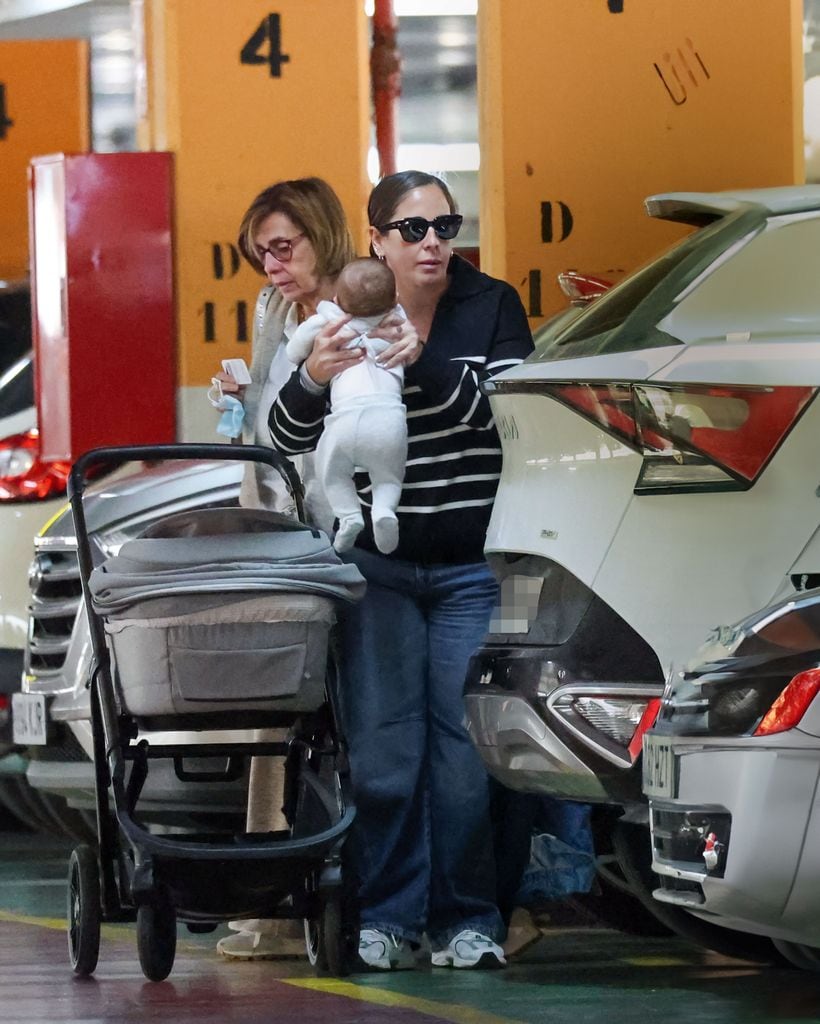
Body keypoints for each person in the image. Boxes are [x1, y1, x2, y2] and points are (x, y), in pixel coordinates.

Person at [269, 170, 534, 970]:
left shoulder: (490, 306)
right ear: (376, 238)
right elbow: (285, 431)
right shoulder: (341, 310)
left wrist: (419, 365)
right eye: (413, 230)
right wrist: (315, 375)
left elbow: (507, 409)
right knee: (385, 754)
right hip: (375, 573)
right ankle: (386, 914)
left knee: (464, 755)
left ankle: (468, 918)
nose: (432, 244)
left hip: (467, 566)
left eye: (446, 227)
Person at [209, 176, 364, 961]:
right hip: (283, 538)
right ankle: (268, 906)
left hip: (344, 541)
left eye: (282, 246)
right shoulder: (277, 313)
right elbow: (273, 427)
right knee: (275, 715)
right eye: (258, 252)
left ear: (321, 233)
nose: (270, 264)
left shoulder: (358, 305)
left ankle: (338, 899)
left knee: (349, 725)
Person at [285, 258, 407, 554]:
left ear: (337, 300)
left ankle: (349, 516)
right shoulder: (399, 325)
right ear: (395, 298)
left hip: (344, 421)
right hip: (388, 419)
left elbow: (293, 351)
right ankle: (384, 511)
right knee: (388, 476)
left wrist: (310, 355)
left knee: (334, 473)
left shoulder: (327, 321)